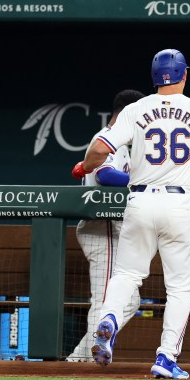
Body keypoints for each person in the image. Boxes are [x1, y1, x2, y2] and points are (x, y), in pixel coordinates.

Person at [71, 41, 190, 379]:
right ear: (184, 75)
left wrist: (85, 166)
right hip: (177, 202)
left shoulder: (135, 109)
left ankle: (109, 318)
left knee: (126, 274)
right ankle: (166, 357)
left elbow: (100, 149)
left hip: (140, 200)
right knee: (180, 287)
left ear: (155, 77)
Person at [67, 90, 145, 362]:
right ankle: (83, 362)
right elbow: (104, 174)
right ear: (126, 113)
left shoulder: (122, 143)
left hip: (113, 229)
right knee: (104, 300)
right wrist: (141, 176)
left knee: (130, 301)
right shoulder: (109, 138)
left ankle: (78, 359)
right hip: (102, 228)